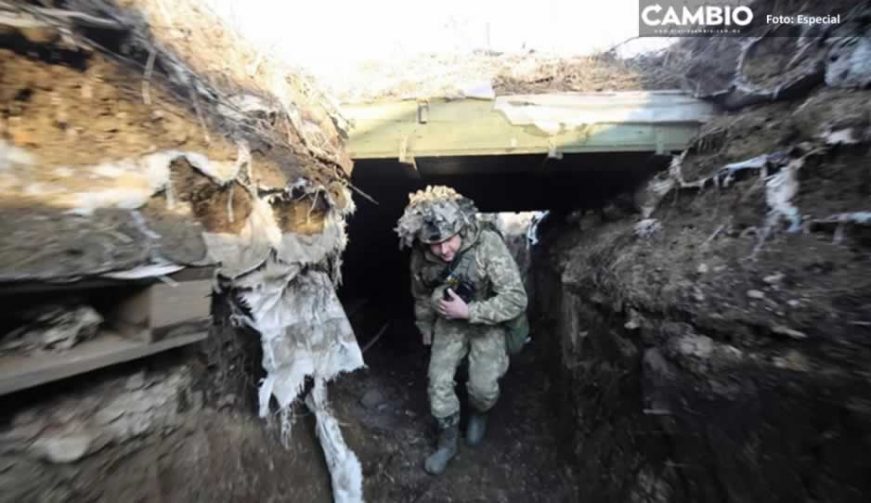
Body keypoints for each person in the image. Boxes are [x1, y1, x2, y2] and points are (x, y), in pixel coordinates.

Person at [395, 185, 528, 475]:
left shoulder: (487, 244)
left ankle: (479, 413)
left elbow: (516, 299)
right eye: (435, 244)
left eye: (449, 240)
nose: (444, 250)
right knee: (438, 383)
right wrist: (425, 327)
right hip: (448, 320)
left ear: (461, 228)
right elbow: (420, 294)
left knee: (483, 388)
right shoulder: (421, 255)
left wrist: (471, 312)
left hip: (486, 318)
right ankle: (447, 442)